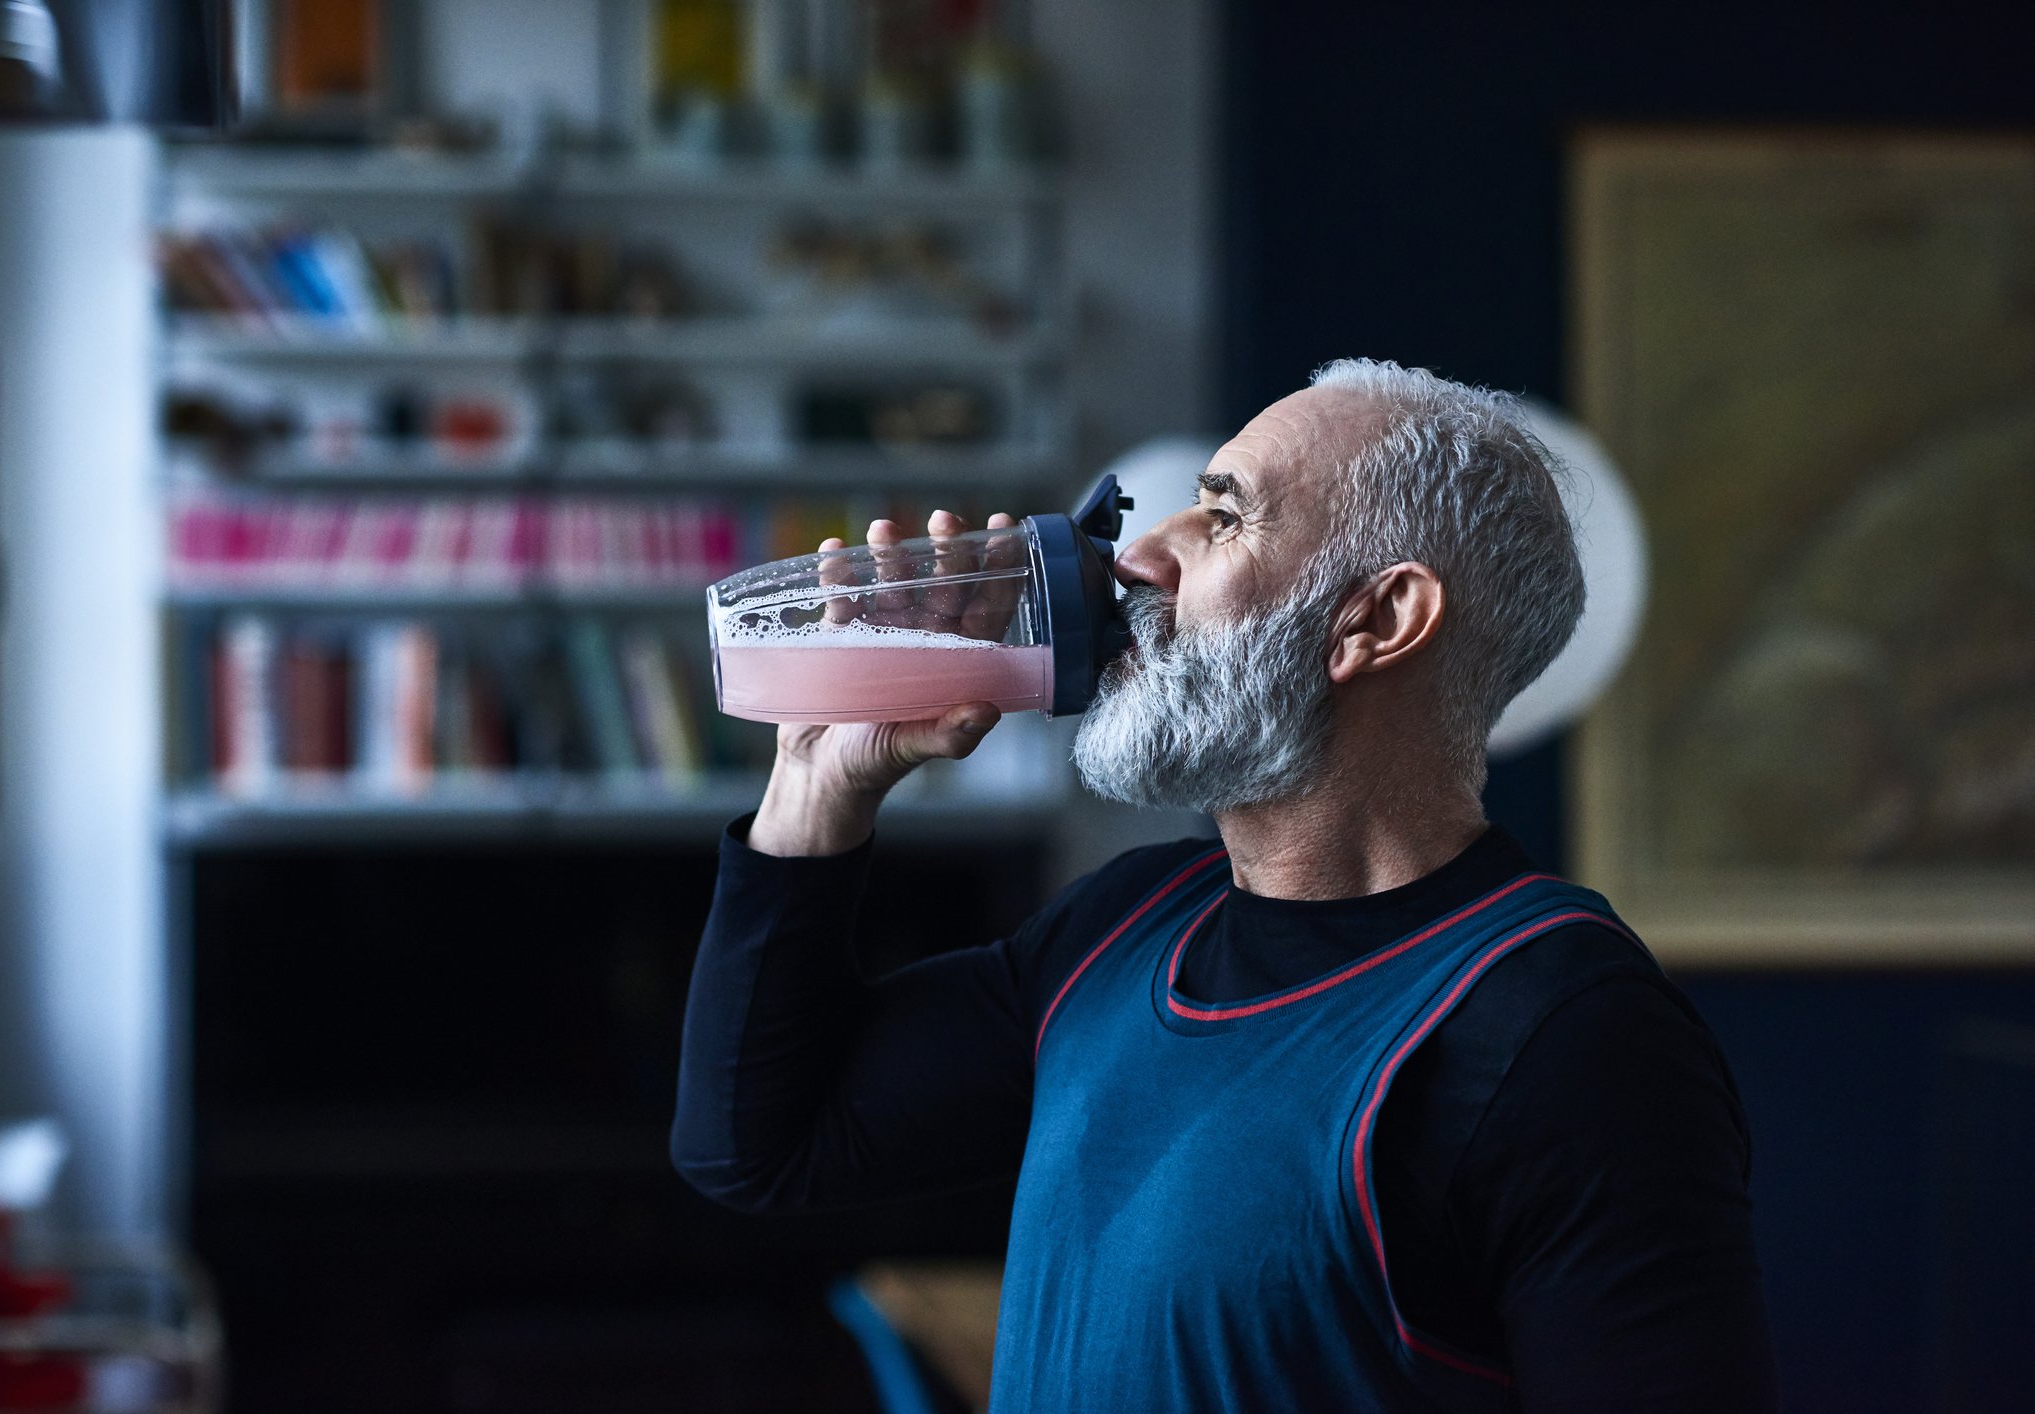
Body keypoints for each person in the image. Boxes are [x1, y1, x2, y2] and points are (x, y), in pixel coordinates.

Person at [671, 359, 1778, 1411]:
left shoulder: (1561, 1032)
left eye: (1224, 515)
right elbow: (760, 1147)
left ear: (1378, 620)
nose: (1142, 557)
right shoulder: (1122, 928)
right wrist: (820, 780)